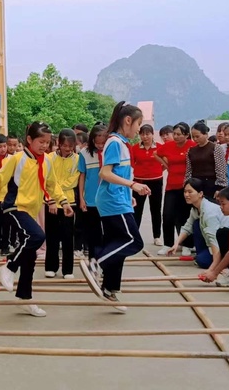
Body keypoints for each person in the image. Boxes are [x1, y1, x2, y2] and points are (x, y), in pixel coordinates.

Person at [0, 122, 74, 318]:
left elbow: (52, 184)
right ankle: (9, 266)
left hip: (31, 210)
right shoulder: (17, 159)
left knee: (30, 256)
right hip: (14, 207)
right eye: (40, 141)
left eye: (47, 142)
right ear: (29, 140)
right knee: (37, 236)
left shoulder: (47, 161)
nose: (44, 145)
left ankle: (25, 298)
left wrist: (64, 202)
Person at [82, 101, 150, 314]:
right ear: (127, 121)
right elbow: (105, 173)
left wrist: (129, 194)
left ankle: (110, 289)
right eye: (139, 124)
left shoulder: (121, 143)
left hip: (119, 199)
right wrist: (133, 185)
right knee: (133, 241)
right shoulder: (114, 142)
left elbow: (121, 173)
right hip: (112, 201)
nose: (140, 130)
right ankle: (96, 263)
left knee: (117, 243)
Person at [168, 178, 229, 269]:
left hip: (224, 243)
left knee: (203, 261)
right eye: (185, 192)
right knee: (196, 223)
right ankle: (203, 255)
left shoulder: (209, 212)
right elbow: (187, 227)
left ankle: (218, 259)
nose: (186, 195)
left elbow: (213, 238)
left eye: (190, 192)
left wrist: (214, 268)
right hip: (212, 242)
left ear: (200, 194)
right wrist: (176, 244)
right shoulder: (195, 208)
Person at [155, 122, 196, 256]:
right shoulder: (168, 146)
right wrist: (166, 165)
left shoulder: (191, 145)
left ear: (186, 135)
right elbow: (157, 154)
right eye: (175, 134)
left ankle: (187, 245)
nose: (176, 136)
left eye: (179, 134)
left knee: (185, 216)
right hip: (171, 185)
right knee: (167, 215)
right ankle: (168, 244)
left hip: (186, 187)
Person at [45, 128, 79, 279]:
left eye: (70, 146)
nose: (67, 149)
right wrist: (53, 193)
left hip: (69, 202)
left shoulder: (77, 159)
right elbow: (46, 179)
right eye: (64, 145)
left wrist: (56, 185)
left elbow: (74, 180)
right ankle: (51, 267)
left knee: (67, 237)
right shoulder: (50, 157)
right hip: (52, 202)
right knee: (51, 236)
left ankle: (68, 270)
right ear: (58, 143)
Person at [200, 187, 229, 286]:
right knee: (223, 233)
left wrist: (214, 273)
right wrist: (212, 270)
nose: (220, 207)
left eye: (223, 204)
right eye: (220, 203)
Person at [77, 123, 107, 261]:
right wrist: (82, 198)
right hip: (91, 199)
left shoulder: (110, 152)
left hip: (108, 199)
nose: (100, 146)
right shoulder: (84, 154)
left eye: (103, 142)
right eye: (98, 142)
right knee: (93, 232)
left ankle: (105, 259)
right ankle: (93, 259)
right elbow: (82, 175)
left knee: (107, 232)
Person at [131, 124, 164, 246]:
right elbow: (131, 163)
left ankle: (157, 236)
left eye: (147, 134)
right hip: (139, 181)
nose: (145, 137)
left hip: (156, 181)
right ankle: (135, 236)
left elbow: (165, 163)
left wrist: (159, 171)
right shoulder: (134, 148)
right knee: (137, 209)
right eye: (142, 134)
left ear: (152, 134)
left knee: (155, 209)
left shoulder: (160, 148)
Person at [185, 120, 227, 199]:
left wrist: (220, 188)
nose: (195, 139)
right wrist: (187, 184)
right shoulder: (190, 150)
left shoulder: (215, 148)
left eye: (197, 136)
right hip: (195, 185)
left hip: (211, 184)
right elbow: (188, 171)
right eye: (193, 137)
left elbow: (221, 170)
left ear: (206, 134)